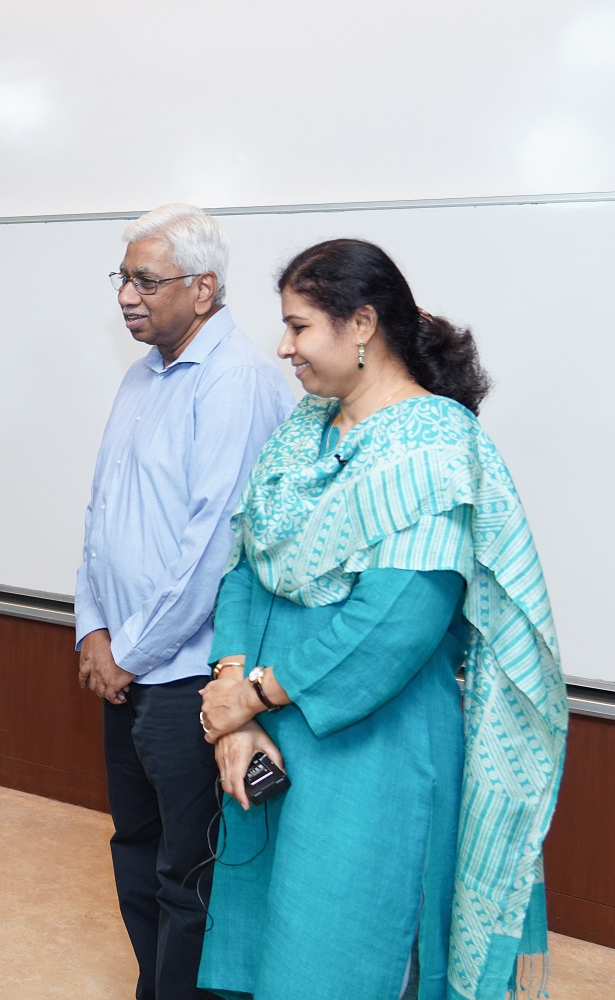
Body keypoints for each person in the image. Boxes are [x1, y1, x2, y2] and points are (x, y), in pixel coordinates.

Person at [196, 239, 566, 1000]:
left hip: (371, 749)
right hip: (266, 724)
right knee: (269, 943)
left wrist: (252, 697)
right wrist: (232, 705)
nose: (284, 346)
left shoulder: (432, 444)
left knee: (341, 951)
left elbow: (394, 624)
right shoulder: (306, 428)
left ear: (360, 323)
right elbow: (244, 566)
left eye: (299, 327)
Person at [74, 203, 293, 1000]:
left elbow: (211, 553)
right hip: (124, 666)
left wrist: (125, 652)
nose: (127, 296)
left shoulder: (237, 385)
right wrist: (92, 630)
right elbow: (101, 515)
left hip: (187, 678)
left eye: (146, 280)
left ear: (204, 290)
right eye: (123, 278)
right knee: (134, 843)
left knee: (187, 870)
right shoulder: (141, 376)